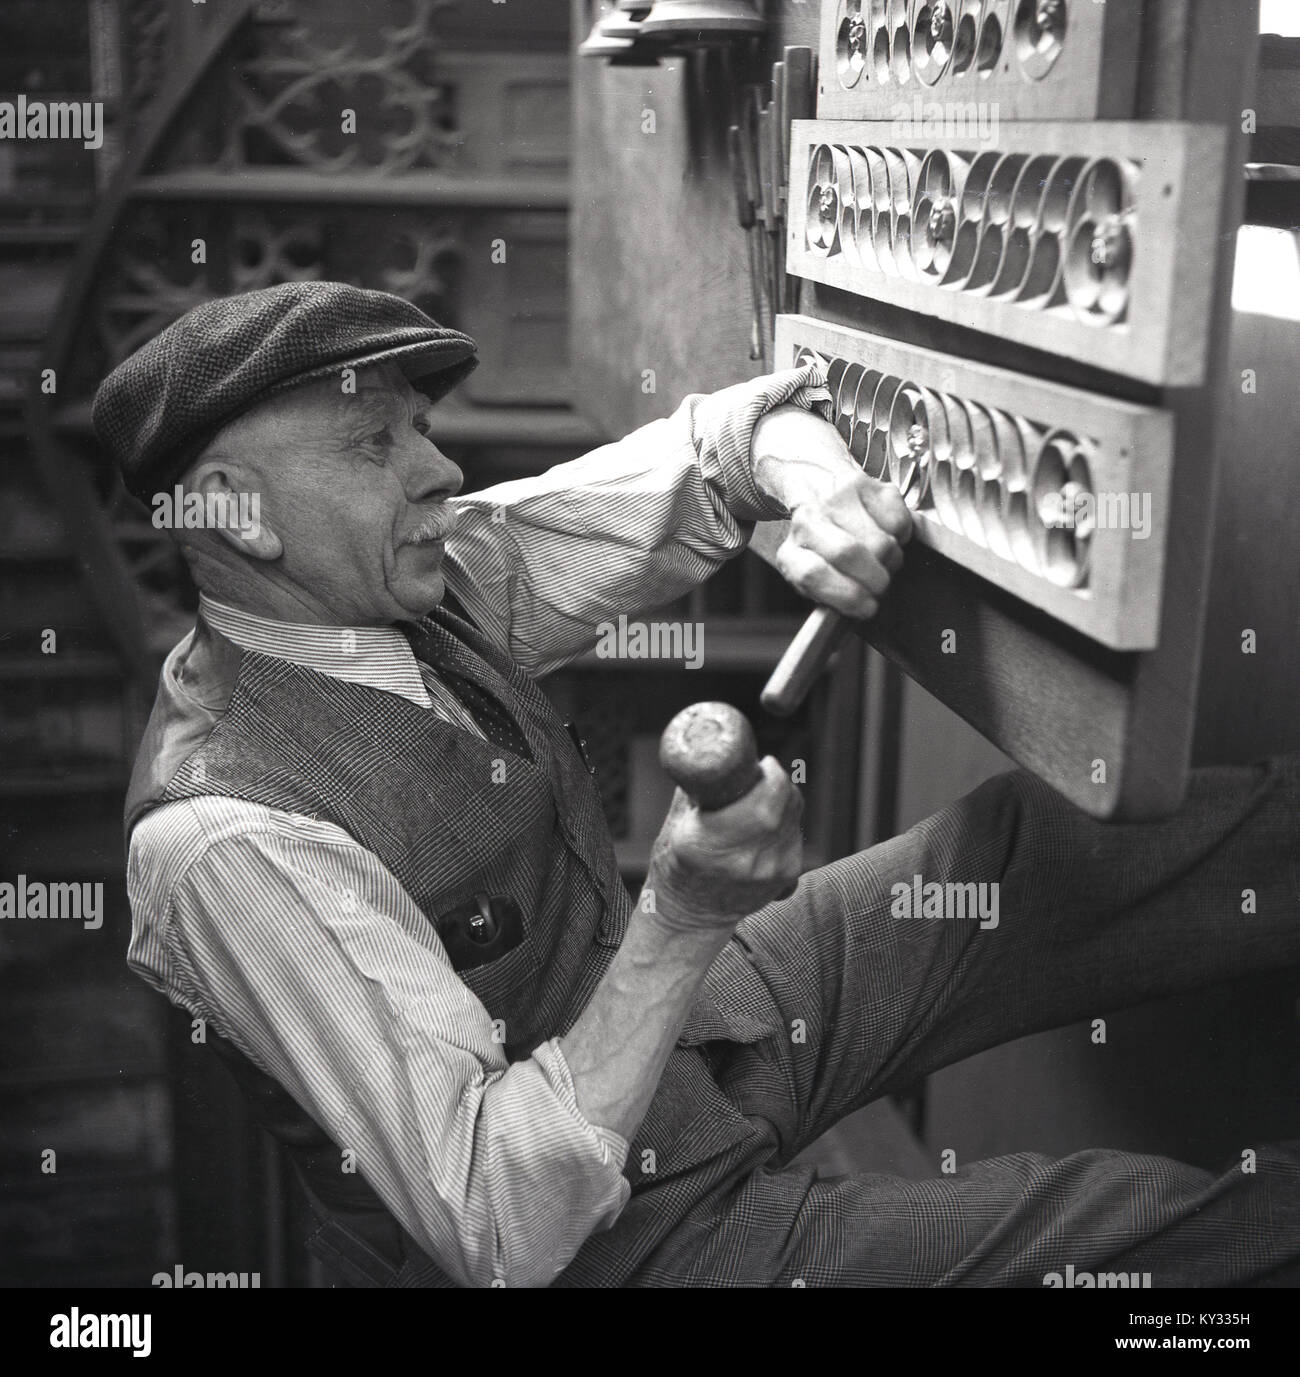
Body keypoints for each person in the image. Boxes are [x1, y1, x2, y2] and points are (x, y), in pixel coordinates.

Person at [96, 282, 1300, 1288]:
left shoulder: (413, 579)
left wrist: (815, 487)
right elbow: (497, 1220)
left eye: (421, 426)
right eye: (375, 444)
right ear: (235, 513)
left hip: (678, 1045)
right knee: (1121, 1239)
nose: (440, 467)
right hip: (611, 1250)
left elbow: (710, 456)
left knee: (1014, 858)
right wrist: (680, 916)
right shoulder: (226, 840)